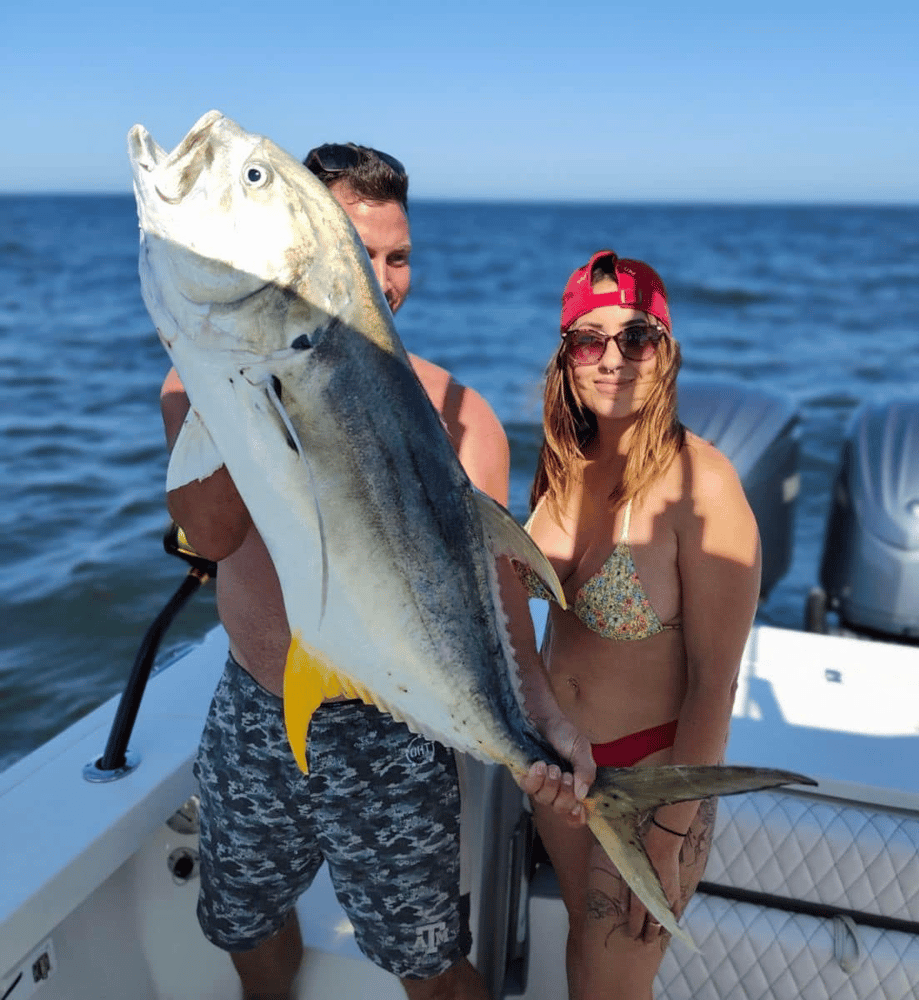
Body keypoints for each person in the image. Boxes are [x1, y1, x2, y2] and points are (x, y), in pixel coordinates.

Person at [160, 144, 587, 1000]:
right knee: (245, 922)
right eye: (361, 255)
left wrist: (543, 720)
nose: (385, 280)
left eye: (399, 258)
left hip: (393, 727)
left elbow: (497, 601)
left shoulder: (461, 421)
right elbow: (207, 535)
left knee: (428, 963)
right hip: (255, 704)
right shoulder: (197, 379)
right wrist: (242, 384)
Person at [515, 250, 761, 1000]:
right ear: (566, 358)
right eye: (589, 340)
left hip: (650, 785)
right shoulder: (567, 460)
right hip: (561, 772)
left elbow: (716, 687)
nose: (612, 359)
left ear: (666, 351)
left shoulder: (704, 487)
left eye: (637, 338)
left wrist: (668, 834)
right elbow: (516, 602)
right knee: (580, 968)